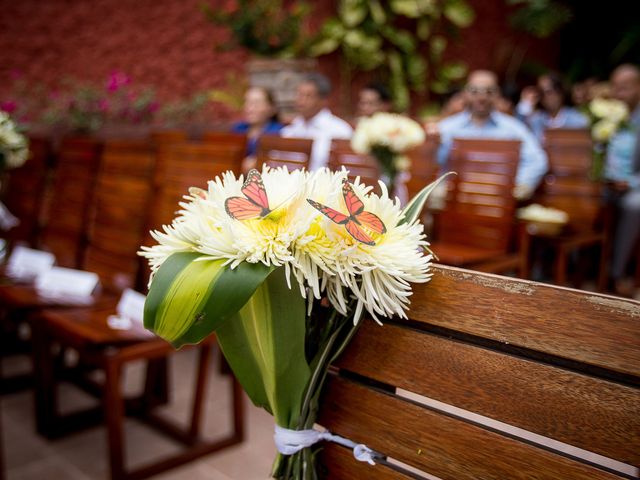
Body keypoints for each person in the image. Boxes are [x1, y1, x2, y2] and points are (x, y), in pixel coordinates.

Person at [437, 70, 548, 200]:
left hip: (498, 201)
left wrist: (518, 185)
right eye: (475, 91)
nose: (481, 98)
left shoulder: (514, 129)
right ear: (465, 94)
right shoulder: (447, 128)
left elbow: (537, 160)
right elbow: (436, 162)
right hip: (456, 200)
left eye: (489, 92)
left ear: (497, 94)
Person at [606, 64, 640, 296]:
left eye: (625, 88)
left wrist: (631, 182)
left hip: (634, 185)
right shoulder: (605, 113)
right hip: (605, 183)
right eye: (615, 87)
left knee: (635, 205)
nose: (619, 93)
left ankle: (617, 273)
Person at [280, 73, 353, 170]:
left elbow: (349, 170)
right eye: (299, 94)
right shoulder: (289, 131)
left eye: (308, 96)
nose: (301, 101)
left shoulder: (340, 131)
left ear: (323, 100)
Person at [518, 73, 589, 142]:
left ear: (560, 93)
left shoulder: (578, 119)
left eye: (548, 92)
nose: (544, 97)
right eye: (541, 93)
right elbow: (520, 135)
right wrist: (525, 105)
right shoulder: (535, 120)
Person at [231, 87, 283, 172]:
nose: (249, 109)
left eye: (256, 104)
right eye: (247, 102)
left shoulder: (279, 132)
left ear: (271, 108)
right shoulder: (238, 129)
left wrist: (258, 162)